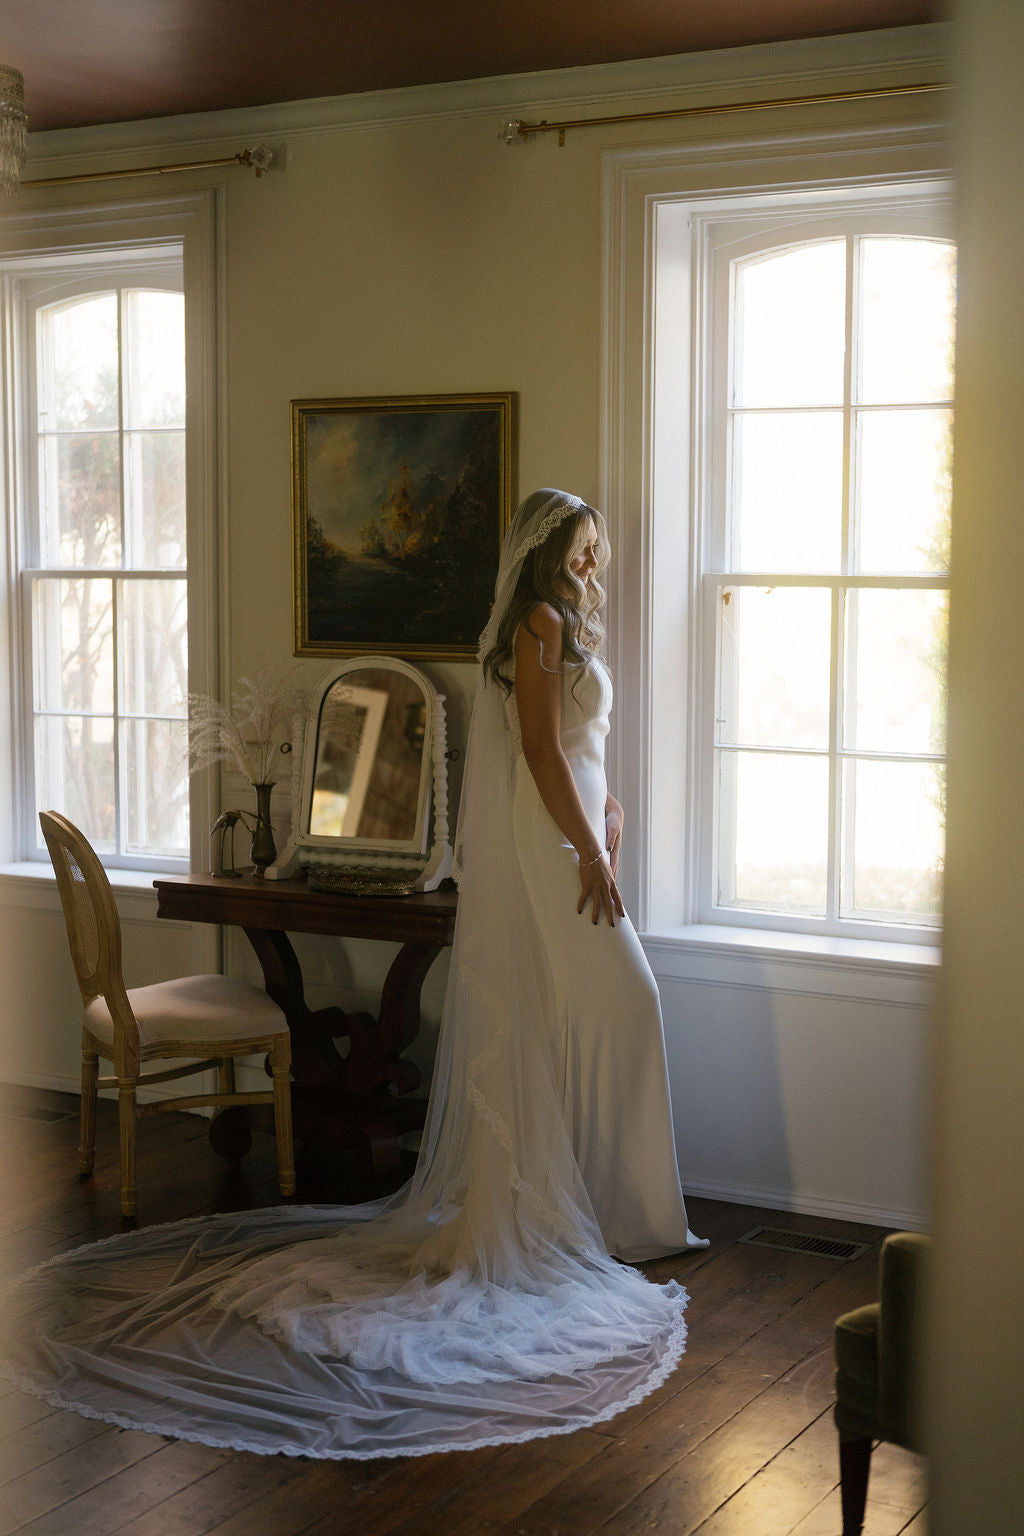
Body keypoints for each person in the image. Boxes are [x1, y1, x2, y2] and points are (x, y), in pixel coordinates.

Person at [0, 489, 706, 1461]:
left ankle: (602, 1207)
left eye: (595, 550)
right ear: (543, 553)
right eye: (580, 549)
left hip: (579, 828)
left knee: (596, 1010)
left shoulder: (567, 626)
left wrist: (610, 808)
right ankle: (592, 1214)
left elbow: (578, 748)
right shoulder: (538, 622)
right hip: (552, 844)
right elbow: (540, 753)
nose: (592, 564)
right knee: (628, 999)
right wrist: (585, 846)